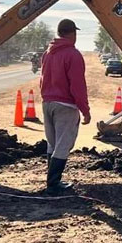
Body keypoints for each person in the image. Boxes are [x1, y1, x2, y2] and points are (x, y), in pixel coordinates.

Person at [39, 19, 90, 194]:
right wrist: (85, 111)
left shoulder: (48, 53)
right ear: (72, 34)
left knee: (52, 144)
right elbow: (77, 86)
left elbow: (42, 79)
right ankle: (53, 184)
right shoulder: (72, 54)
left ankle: (51, 181)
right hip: (65, 105)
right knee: (63, 144)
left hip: (47, 103)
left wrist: (47, 99)